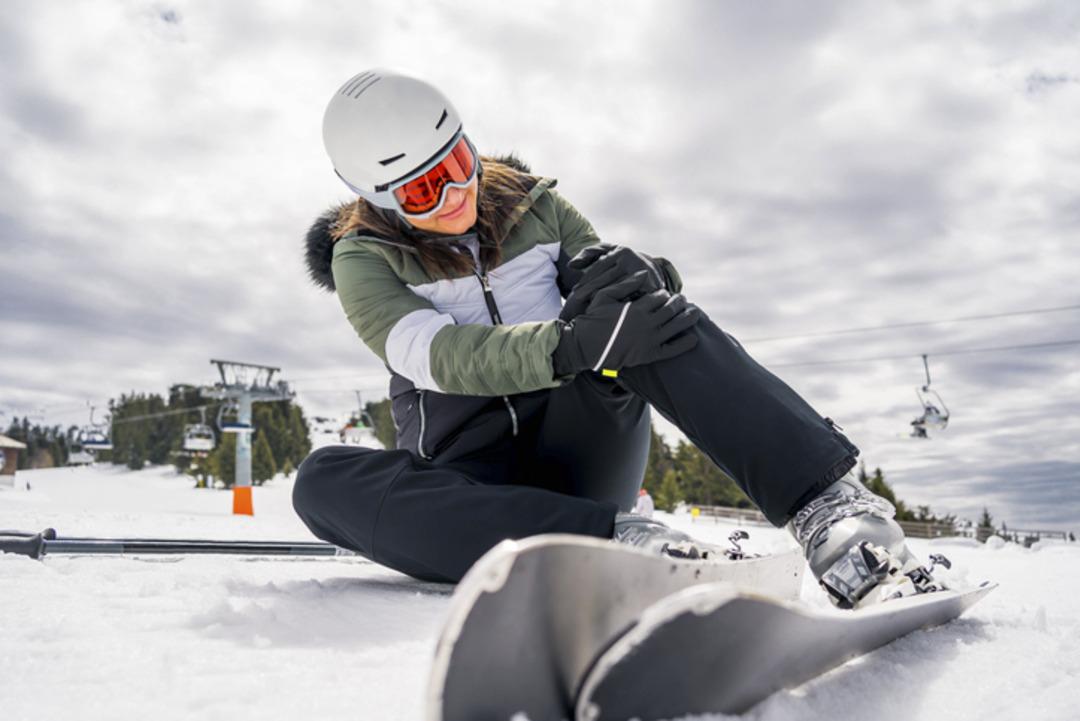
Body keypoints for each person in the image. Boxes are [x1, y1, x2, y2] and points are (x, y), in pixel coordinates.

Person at [295, 68, 937, 608]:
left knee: (637, 314)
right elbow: (437, 357)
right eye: (423, 189)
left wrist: (648, 277)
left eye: (459, 163)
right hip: (474, 483)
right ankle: (618, 542)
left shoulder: (537, 205)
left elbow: (608, 292)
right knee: (321, 480)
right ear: (376, 197)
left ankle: (827, 506)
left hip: (585, 443)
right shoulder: (363, 258)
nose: (458, 192)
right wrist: (565, 345)